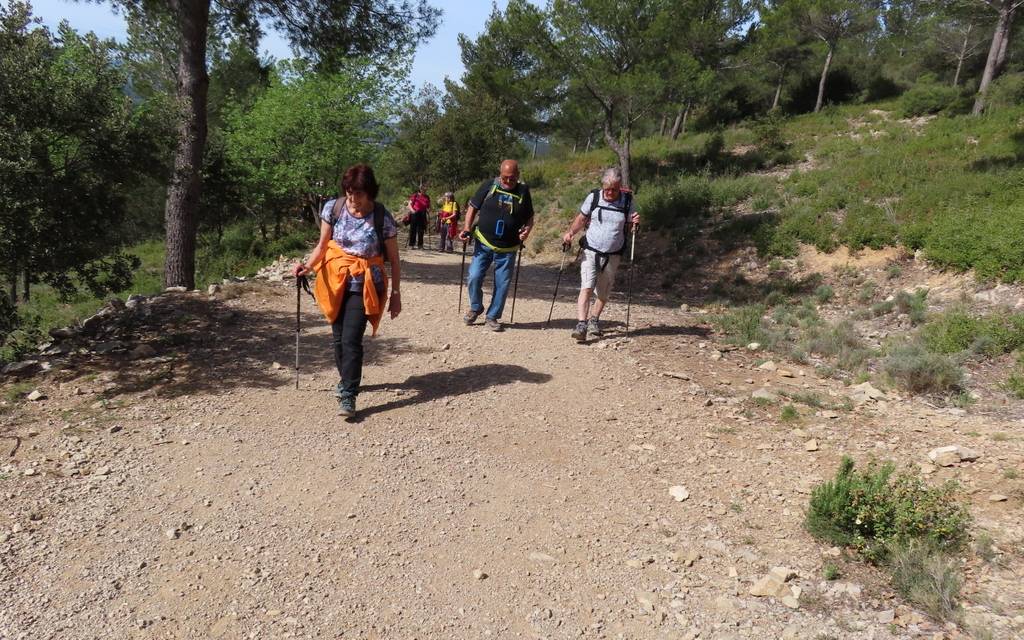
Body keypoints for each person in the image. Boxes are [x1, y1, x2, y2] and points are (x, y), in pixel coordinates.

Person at [292, 164, 402, 418]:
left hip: (364, 284)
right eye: (350, 193)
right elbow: (322, 245)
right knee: (339, 339)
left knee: (352, 339)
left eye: (359, 194)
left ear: (370, 192)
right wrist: (306, 267)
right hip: (334, 280)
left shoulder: (382, 217)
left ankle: (349, 394)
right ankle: (346, 381)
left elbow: (394, 260)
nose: (354, 200)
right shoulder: (334, 208)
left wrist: (396, 295)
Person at [561, 167, 640, 342]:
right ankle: (582, 324)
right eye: (607, 188)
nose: (610, 192)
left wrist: (634, 223)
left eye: (614, 189)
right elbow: (581, 219)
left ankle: (594, 320)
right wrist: (570, 233)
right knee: (587, 287)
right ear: (602, 186)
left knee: (603, 293)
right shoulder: (594, 197)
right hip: (591, 251)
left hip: (613, 254)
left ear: (620, 187)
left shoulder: (627, 201)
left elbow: (629, 226)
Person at [460, 159, 534, 332]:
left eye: (512, 178)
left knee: (502, 284)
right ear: (500, 174)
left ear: (518, 176)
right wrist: (466, 228)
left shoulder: (523, 191)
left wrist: (527, 231)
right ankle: (476, 307)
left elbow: (530, 217)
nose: (508, 181)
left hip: (508, 248)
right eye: (505, 178)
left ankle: (492, 316)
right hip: (484, 242)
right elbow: (472, 208)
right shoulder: (489, 185)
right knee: (474, 276)